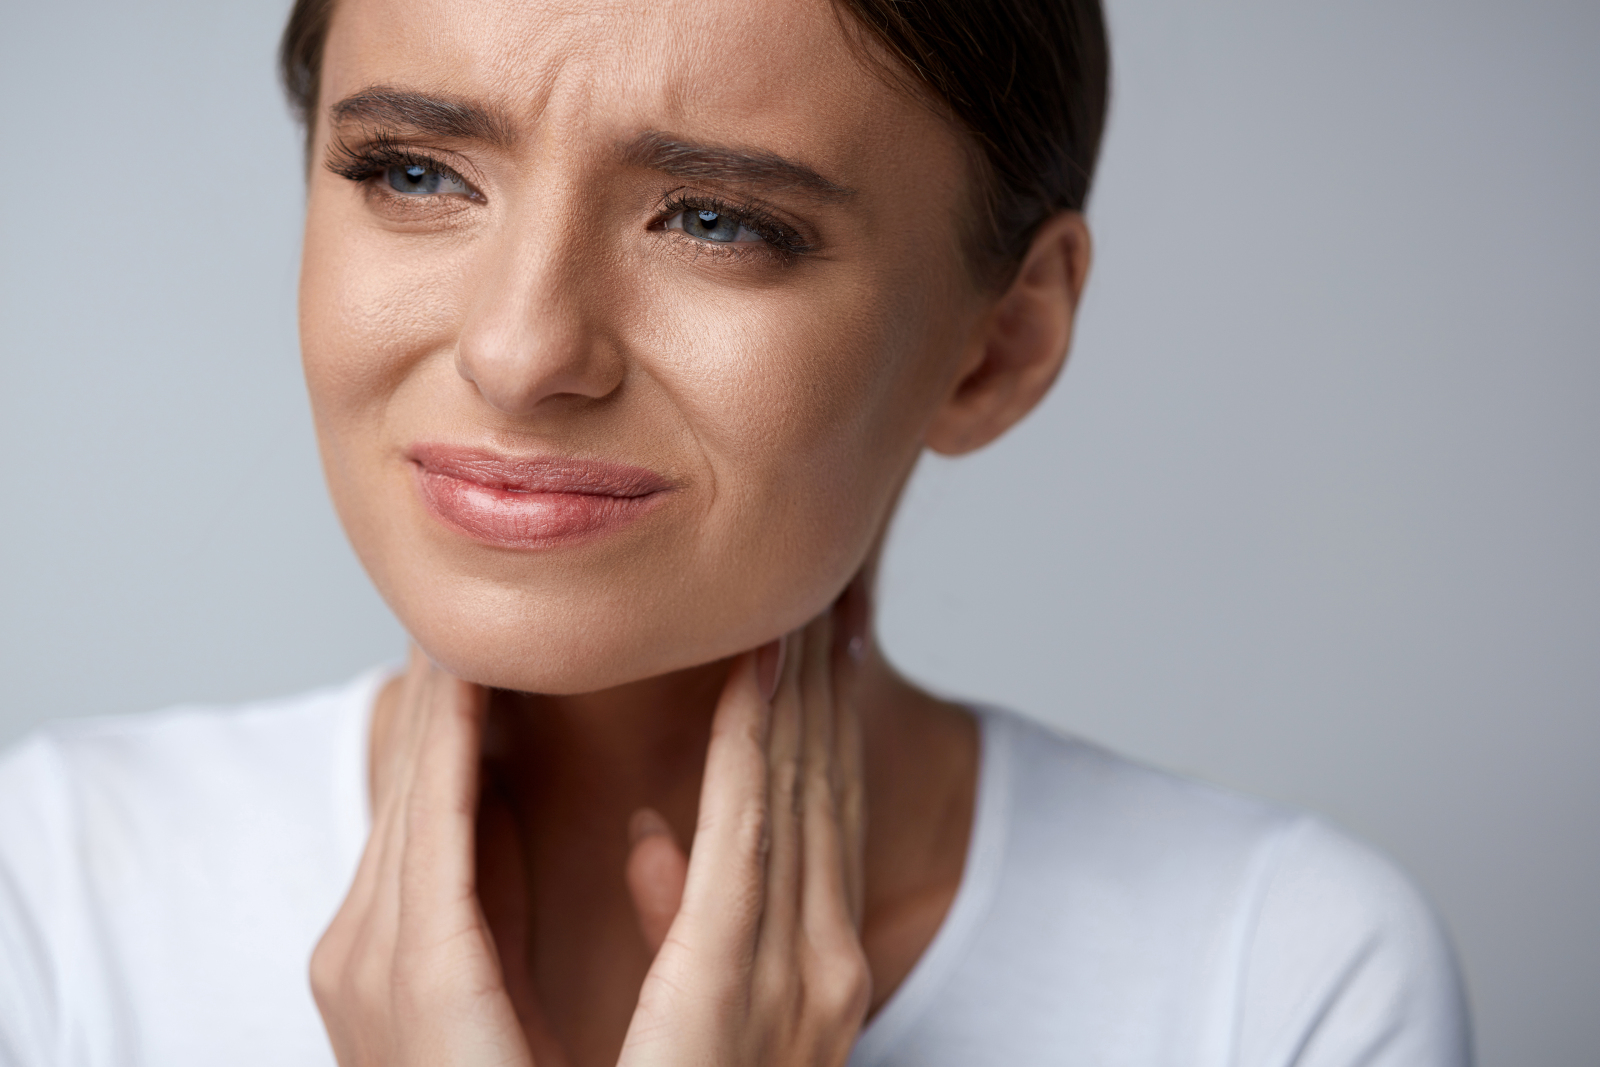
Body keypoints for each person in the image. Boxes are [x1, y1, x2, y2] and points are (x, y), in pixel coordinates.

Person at [0, 0, 1473, 1063]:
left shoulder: (1277, 982)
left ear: (999, 346)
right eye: (416, 172)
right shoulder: (53, 896)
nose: (520, 351)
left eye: (715, 218)